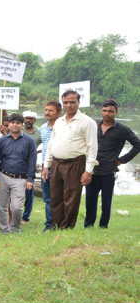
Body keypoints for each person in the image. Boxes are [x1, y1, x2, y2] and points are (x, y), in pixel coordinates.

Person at [44, 90, 97, 230]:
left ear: (78, 103)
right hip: (56, 163)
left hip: (75, 164)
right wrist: (46, 165)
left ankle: (67, 228)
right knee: (55, 198)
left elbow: (92, 148)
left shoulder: (87, 122)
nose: (69, 105)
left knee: (71, 199)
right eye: (66, 102)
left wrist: (88, 171)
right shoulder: (59, 121)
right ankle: (56, 226)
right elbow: (51, 143)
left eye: (72, 102)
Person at [86, 100, 139, 228]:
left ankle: (103, 226)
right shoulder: (93, 127)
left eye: (110, 111)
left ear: (116, 112)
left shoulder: (122, 129)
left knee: (106, 201)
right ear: (101, 111)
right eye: (104, 111)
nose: (107, 114)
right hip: (91, 169)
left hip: (108, 171)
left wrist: (121, 160)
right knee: (90, 201)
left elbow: (137, 145)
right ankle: (88, 225)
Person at [0, 113, 36, 234]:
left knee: (16, 207)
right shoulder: (1, 141)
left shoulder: (29, 141)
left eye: (18, 123)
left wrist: (30, 179)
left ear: (22, 125)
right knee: (2, 206)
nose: (15, 125)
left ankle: (16, 228)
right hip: (3, 175)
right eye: (12, 123)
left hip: (20, 178)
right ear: (8, 125)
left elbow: (32, 161)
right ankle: (4, 229)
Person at [37, 101, 61, 231]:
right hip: (45, 166)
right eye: (46, 110)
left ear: (58, 112)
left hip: (59, 165)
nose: (47, 113)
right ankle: (49, 225)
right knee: (47, 198)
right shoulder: (42, 127)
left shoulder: (62, 127)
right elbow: (44, 145)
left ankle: (60, 223)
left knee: (58, 196)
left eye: (51, 110)